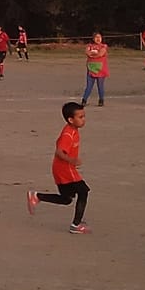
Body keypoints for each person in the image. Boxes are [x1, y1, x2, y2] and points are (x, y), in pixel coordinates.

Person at [25, 102, 90, 234]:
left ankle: (37, 197)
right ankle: (75, 225)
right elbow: (59, 152)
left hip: (61, 169)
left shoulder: (72, 130)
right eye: (80, 117)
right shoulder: (68, 134)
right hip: (65, 169)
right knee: (83, 191)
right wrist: (72, 160)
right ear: (71, 120)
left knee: (66, 199)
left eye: (84, 116)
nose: (83, 120)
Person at [82, 32, 108, 106]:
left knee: (100, 86)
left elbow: (101, 54)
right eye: (96, 37)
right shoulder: (89, 46)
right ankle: (84, 100)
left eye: (99, 37)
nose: (98, 39)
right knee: (89, 86)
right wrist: (93, 54)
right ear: (93, 39)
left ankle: (101, 100)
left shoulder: (104, 46)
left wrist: (93, 55)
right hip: (91, 69)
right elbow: (87, 52)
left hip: (101, 69)